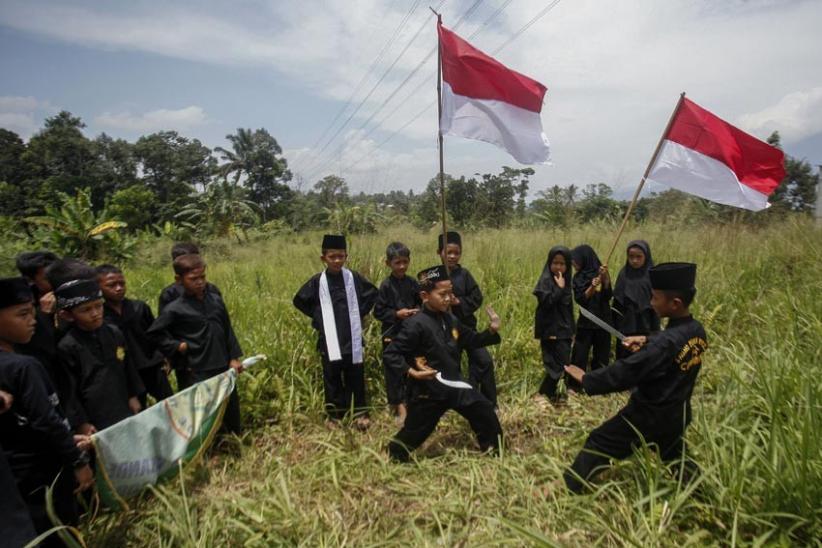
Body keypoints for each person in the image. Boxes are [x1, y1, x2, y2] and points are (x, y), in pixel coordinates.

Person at [562, 263, 708, 493]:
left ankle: (567, 488)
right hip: (676, 413)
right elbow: (672, 342)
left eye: (655, 297)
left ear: (675, 303)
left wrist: (586, 379)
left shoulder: (663, 345)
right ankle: (700, 494)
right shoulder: (697, 330)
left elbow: (626, 372)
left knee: (599, 442)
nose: (650, 302)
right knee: (674, 454)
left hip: (647, 415)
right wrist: (647, 340)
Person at [0, 277, 94, 545]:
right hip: (44, 471)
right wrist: (77, 461)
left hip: (13, 475)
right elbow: (48, 421)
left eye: (32, 312)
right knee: (60, 531)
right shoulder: (23, 367)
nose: (33, 320)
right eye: (22, 314)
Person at [385, 265, 503, 462]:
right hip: (428, 390)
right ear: (425, 296)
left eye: (450, 293)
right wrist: (412, 372)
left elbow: (470, 339)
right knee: (415, 431)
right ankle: (394, 454)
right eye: (442, 294)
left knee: (483, 409)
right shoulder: (415, 324)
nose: (448, 298)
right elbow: (392, 353)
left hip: (453, 383)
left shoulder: (450, 319)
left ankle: (495, 453)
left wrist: (491, 330)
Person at [148, 254, 245, 434]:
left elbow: (227, 329)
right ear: (179, 280)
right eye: (193, 279)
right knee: (200, 413)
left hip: (222, 364)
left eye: (202, 277)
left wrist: (234, 357)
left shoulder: (215, 300)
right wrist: (177, 346)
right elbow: (155, 334)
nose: (200, 282)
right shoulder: (174, 309)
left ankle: (234, 438)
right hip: (196, 369)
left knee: (229, 405)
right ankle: (206, 445)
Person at [293, 234, 378, 428]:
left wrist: (359, 313)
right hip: (330, 339)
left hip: (351, 336)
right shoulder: (317, 281)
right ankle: (334, 416)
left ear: (346, 256)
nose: (337, 261)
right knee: (331, 377)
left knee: (355, 374)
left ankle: (360, 413)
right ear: (323, 258)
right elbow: (299, 300)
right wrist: (318, 316)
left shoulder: (353, 277)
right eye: (332, 257)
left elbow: (372, 293)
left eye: (341, 256)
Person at [56, 278, 143, 434]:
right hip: (94, 413)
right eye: (86, 310)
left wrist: (133, 395)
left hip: (122, 401)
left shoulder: (114, 333)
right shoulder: (67, 346)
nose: (95, 313)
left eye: (98, 306)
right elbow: (69, 391)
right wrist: (82, 422)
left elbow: (128, 367)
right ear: (67, 315)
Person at [97, 264, 173, 408]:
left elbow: (156, 333)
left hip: (151, 365)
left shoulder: (139, 307)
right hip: (127, 372)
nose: (118, 288)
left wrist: (165, 356)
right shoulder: (100, 316)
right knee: (138, 409)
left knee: (168, 404)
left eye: (122, 283)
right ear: (98, 287)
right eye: (111, 285)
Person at [438, 231, 498, 407]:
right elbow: (425, 300)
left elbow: (477, 297)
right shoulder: (433, 275)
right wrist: (443, 302)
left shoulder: (464, 274)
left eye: (456, 253)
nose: (452, 256)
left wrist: (458, 302)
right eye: (448, 252)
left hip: (467, 328)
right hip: (445, 331)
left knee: (483, 361)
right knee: (450, 366)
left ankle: (489, 402)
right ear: (439, 252)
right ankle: (455, 402)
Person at [158, 242, 223, 390]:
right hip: (188, 360)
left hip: (215, 355)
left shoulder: (212, 290)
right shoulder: (169, 295)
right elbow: (164, 330)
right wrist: (175, 349)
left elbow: (222, 321)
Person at [373, 242, 421, 423]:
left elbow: (421, 303)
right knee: (393, 370)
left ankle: (412, 403)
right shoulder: (385, 286)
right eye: (397, 263)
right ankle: (399, 407)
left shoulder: (413, 283)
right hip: (392, 333)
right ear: (388, 264)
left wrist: (417, 310)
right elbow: (378, 312)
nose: (401, 266)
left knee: (412, 365)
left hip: (410, 332)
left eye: (405, 262)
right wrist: (396, 314)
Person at [533, 246, 574, 404]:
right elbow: (547, 303)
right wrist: (559, 288)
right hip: (549, 329)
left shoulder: (566, 281)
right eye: (555, 263)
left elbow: (569, 309)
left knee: (564, 362)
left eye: (562, 264)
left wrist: (572, 330)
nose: (558, 267)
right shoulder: (545, 281)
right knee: (553, 364)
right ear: (549, 263)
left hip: (564, 329)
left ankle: (550, 394)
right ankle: (543, 394)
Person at [570, 245, 612, 390]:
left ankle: (598, 386)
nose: (573, 263)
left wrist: (605, 279)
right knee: (580, 354)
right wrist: (592, 287)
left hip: (603, 321)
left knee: (601, 355)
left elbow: (607, 296)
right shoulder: (577, 278)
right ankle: (575, 385)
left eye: (575, 260)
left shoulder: (602, 273)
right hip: (586, 321)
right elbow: (580, 299)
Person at [612, 240, 660, 359]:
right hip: (626, 327)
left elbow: (658, 304)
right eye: (631, 257)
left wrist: (655, 331)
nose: (634, 260)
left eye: (639, 257)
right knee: (624, 361)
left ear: (646, 256)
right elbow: (617, 302)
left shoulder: (652, 276)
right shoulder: (624, 274)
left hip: (646, 327)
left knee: (645, 361)